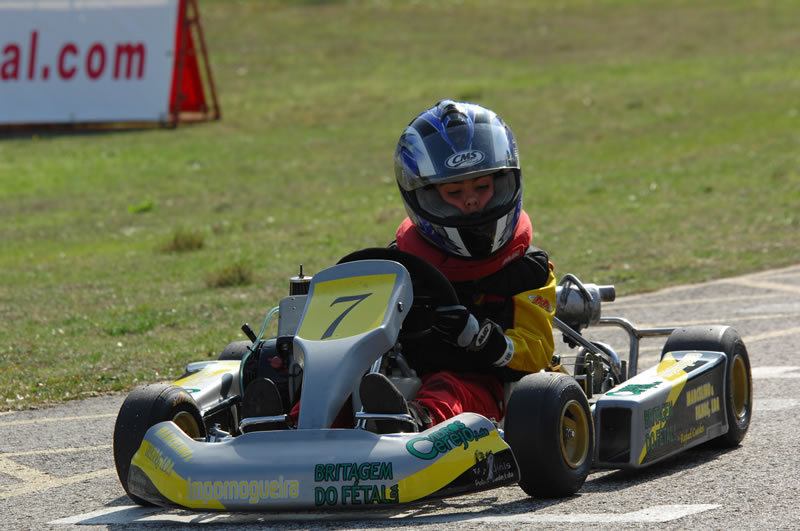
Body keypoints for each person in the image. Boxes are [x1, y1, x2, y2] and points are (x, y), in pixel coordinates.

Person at [359, 100, 558, 432]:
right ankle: (284, 418)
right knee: (346, 386)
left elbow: (537, 351)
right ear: (425, 196)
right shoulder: (401, 262)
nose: (471, 200)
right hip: (399, 377)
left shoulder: (527, 268)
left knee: (448, 390)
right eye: (454, 191)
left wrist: (481, 338)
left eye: (482, 187)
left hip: (487, 383)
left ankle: (412, 422)